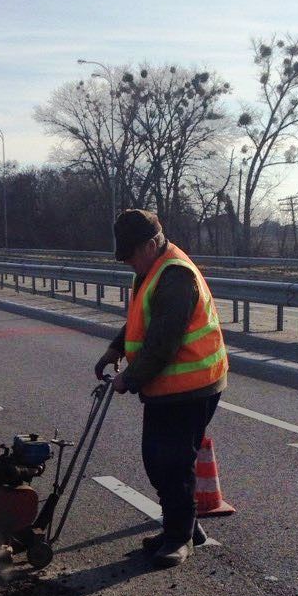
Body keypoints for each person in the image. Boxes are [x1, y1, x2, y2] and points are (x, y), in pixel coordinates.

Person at [94, 209, 228, 568]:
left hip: (192, 384)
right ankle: (185, 527)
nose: (128, 262)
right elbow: (142, 320)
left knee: (172, 462)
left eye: (131, 255)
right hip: (167, 385)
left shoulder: (175, 276)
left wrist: (129, 379)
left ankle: (180, 537)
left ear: (151, 244)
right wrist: (115, 348)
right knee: (158, 459)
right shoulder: (151, 269)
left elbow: (163, 342)